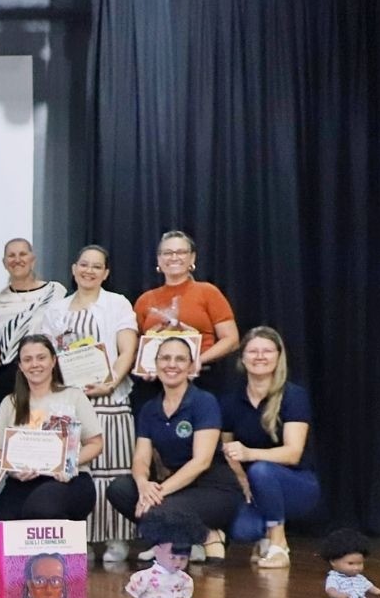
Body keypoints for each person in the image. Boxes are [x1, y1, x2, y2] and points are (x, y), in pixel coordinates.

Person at [41, 245, 140, 563]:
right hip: (70, 402)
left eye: (97, 267)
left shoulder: (117, 304)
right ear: (73, 268)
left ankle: (117, 538)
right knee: (76, 470)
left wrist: (110, 382)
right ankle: (76, 537)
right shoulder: (57, 310)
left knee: (114, 470)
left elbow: (127, 349)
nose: (89, 271)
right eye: (84, 265)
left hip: (111, 398)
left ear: (106, 273)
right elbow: (48, 356)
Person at [104, 337, 243, 553]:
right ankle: (185, 540)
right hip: (177, 488)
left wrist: (158, 493)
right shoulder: (150, 408)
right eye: (165, 358)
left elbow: (201, 462)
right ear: (156, 363)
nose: (172, 364)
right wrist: (142, 485)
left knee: (160, 510)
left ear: (190, 366)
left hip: (215, 489)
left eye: (180, 359)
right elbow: (141, 458)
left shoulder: (204, 402)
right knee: (119, 489)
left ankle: (200, 536)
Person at [220, 326, 319, 568]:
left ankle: (278, 545)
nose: (260, 356)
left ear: (278, 356)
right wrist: (241, 478)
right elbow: (227, 448)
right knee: (242, 530)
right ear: (242, 358)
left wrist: (250, 455)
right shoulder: (231, 401)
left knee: (262, 469)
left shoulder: (293, 396)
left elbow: (293, 453)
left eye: (267, 351)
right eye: (253, 351)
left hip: (297, 485)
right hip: (252, 485)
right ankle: (263, 536)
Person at [0, 335, 104, 524]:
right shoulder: (9, 403)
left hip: (68, 479)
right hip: (23, 480)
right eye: (27, 359)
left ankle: (61, 551)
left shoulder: (73, 396)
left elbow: (95, 444)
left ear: (53, 361)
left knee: (42, 506)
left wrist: (68, 464)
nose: (34, 364)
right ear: (20, 365)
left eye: (41, 357)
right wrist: (13, 472)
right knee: (2, 524)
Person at [132, 230, 240, 392]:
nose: (174, 257)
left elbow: (231, 340)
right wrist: (142, 365)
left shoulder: (208, 292)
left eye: (181, 252)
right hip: (155, 384)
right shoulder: (145, 300)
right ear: (159, 260)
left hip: (201, 380)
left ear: (192, 258)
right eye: (167, 253)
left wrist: (197, 361)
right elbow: (134, 347)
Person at [0, 238, 66, 401]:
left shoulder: (56, 292)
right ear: (4, 262)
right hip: (8, 382)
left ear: (32, 259)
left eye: (22, 254)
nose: (17, 260)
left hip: (48, 375)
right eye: (11, 256)